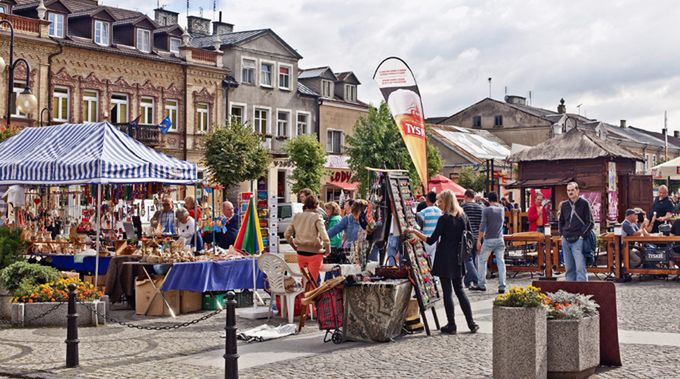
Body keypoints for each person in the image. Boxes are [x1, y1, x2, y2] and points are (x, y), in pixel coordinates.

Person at [405, 190, 479, 335]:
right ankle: (471, 323)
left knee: (447, 292)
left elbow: (431, 239)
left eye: (441, 202)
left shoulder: (444, 218)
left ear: (446, 202)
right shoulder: (463, 216)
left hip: (445, 257)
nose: (439, 204)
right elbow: (470, 236)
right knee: (460, 290)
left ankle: (451, 324)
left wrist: (414, 231)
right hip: (458, 257)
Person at [285, 194, 331, 282]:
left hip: (300, 253)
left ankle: (304, 295)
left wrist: (295, 247)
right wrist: (327, 251)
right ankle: (312, 295)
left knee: (305, 281)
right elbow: (325, 238)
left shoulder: (297, 216)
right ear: (316, 205)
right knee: (313, 282)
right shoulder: (317, 217)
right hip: (315, 254)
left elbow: (287, 235)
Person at [558, 182, 594, 282]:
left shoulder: (584, 203)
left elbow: (590, 222)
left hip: (578, 239)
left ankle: (582, 291)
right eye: (568, 190)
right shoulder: (564, 205)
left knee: (580, 267)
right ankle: (570, 291)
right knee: (569, 268)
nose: (570, 192)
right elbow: (561, 221)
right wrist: (561, 234)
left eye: (572, 190)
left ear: (577, 191)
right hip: (566, 239)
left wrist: (581, 236)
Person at [475, 192, 507, 293]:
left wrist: (479, 240)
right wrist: (484, 200)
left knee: (482, 260)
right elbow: (494, 205)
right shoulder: (502, 208)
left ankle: (482, 284)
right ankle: (502, 286)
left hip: (489, 239)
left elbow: (482, 226)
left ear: (489, 199)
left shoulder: (486, 210)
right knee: (501, 262)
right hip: (500, 239)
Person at [461, 189, 482, 289]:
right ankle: (468, 281)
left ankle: (477, 280)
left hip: (467, 237)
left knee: (467, 259)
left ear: (466, 196)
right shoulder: (480, 208)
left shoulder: (463, 208)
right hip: (478, 236)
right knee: (473, 259)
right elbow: (483, 224)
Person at [417, 191, 442, 264]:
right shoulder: (440, 211)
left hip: (425, 238)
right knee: (434, 260)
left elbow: (418, 223)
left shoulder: (424, 211)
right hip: (436, 239)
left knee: (424, 261)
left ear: (427, 200)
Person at [324, 202, 345, 278]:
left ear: (333, 209)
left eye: (328, 209)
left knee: (331, 268)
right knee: (332, 268)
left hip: (333, 247)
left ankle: (329, 285)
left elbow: (336, 236)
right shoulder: (334, 218)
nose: (326, 211)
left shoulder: (334, 219)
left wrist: (329, 246)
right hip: (334, 246)